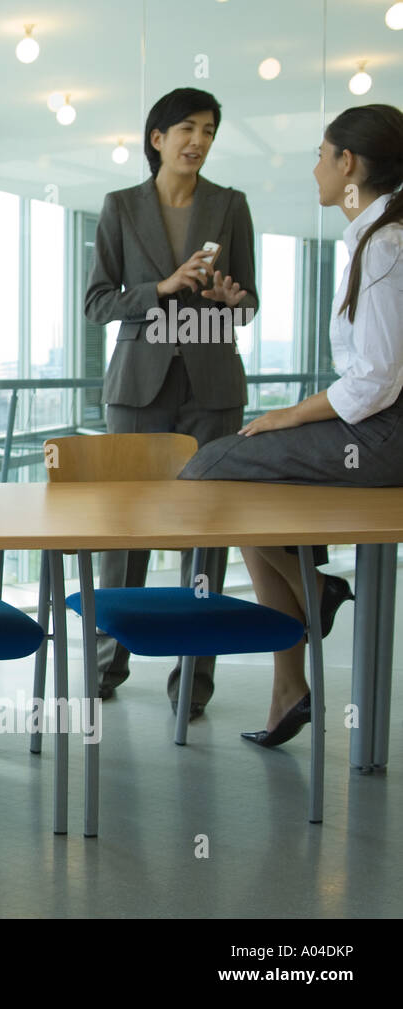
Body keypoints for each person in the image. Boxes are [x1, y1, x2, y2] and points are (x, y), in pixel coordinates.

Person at [180, 103, 403, 747]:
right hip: (377, 428)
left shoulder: (385, 245)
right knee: (255, 492)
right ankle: (290, 685)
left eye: (321, 154)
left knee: (208, 467)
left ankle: (315, 593)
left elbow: (377, 380)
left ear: (349, 164)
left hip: (383, 438)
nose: (316, 169)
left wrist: (291, 413)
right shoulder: (373, 235)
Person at [84, 87, 259, 718]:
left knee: (205, 533)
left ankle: (194, 676)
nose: (200, 140)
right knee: (125, 528)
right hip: (138, 388)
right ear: (157, 137)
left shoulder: (229, 205)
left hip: (212, 386)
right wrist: (160, 288)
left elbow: (250, 301)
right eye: (188, 127)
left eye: (210, 130)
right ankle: (108, 661)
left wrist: (233, 300)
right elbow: (97, 302)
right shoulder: (120, 207)